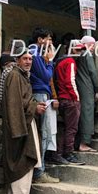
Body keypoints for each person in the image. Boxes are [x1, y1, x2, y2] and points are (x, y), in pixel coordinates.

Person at [2, 48, 45, 194]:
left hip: (24, 121)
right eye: (25, 58)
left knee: (21, 157)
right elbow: (14, 104)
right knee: (24, 157)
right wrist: (34, 109)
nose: (28, 62)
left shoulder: (20, 75)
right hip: (20, 124)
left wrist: (34, 106)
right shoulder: (14, 76)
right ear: (18, 60)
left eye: (30, 59)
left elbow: (25, 100)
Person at [29, 28, 59, 184]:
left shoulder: (37, 52)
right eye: (49, 39)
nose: (51, 43)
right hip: (39, 93)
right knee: (45, 133)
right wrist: (51, 61)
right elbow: (46, 76)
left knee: (44, 133)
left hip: (42, 93)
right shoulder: (35, 52)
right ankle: (39, 172)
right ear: (40, 40)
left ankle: (39, 169)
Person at [53, 40, 85, 165]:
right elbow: (70, 81)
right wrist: (76, 97)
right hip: (70, 99)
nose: (80, 53)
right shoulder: (70, 62)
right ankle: (69, 153)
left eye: (81, 50)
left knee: (64, 128)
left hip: (62, 98)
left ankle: (60, 153)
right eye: (78, 50)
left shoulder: (59, 61)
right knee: (72, 128)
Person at [76, 36, 98, 152]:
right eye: (92, 44)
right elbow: (93, 73)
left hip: (78, 87)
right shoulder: (87, 54)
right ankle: (84, 143)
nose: (93, 47)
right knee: (87, 113)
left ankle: (79, 142)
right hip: (87, 88)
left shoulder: (77, 54)